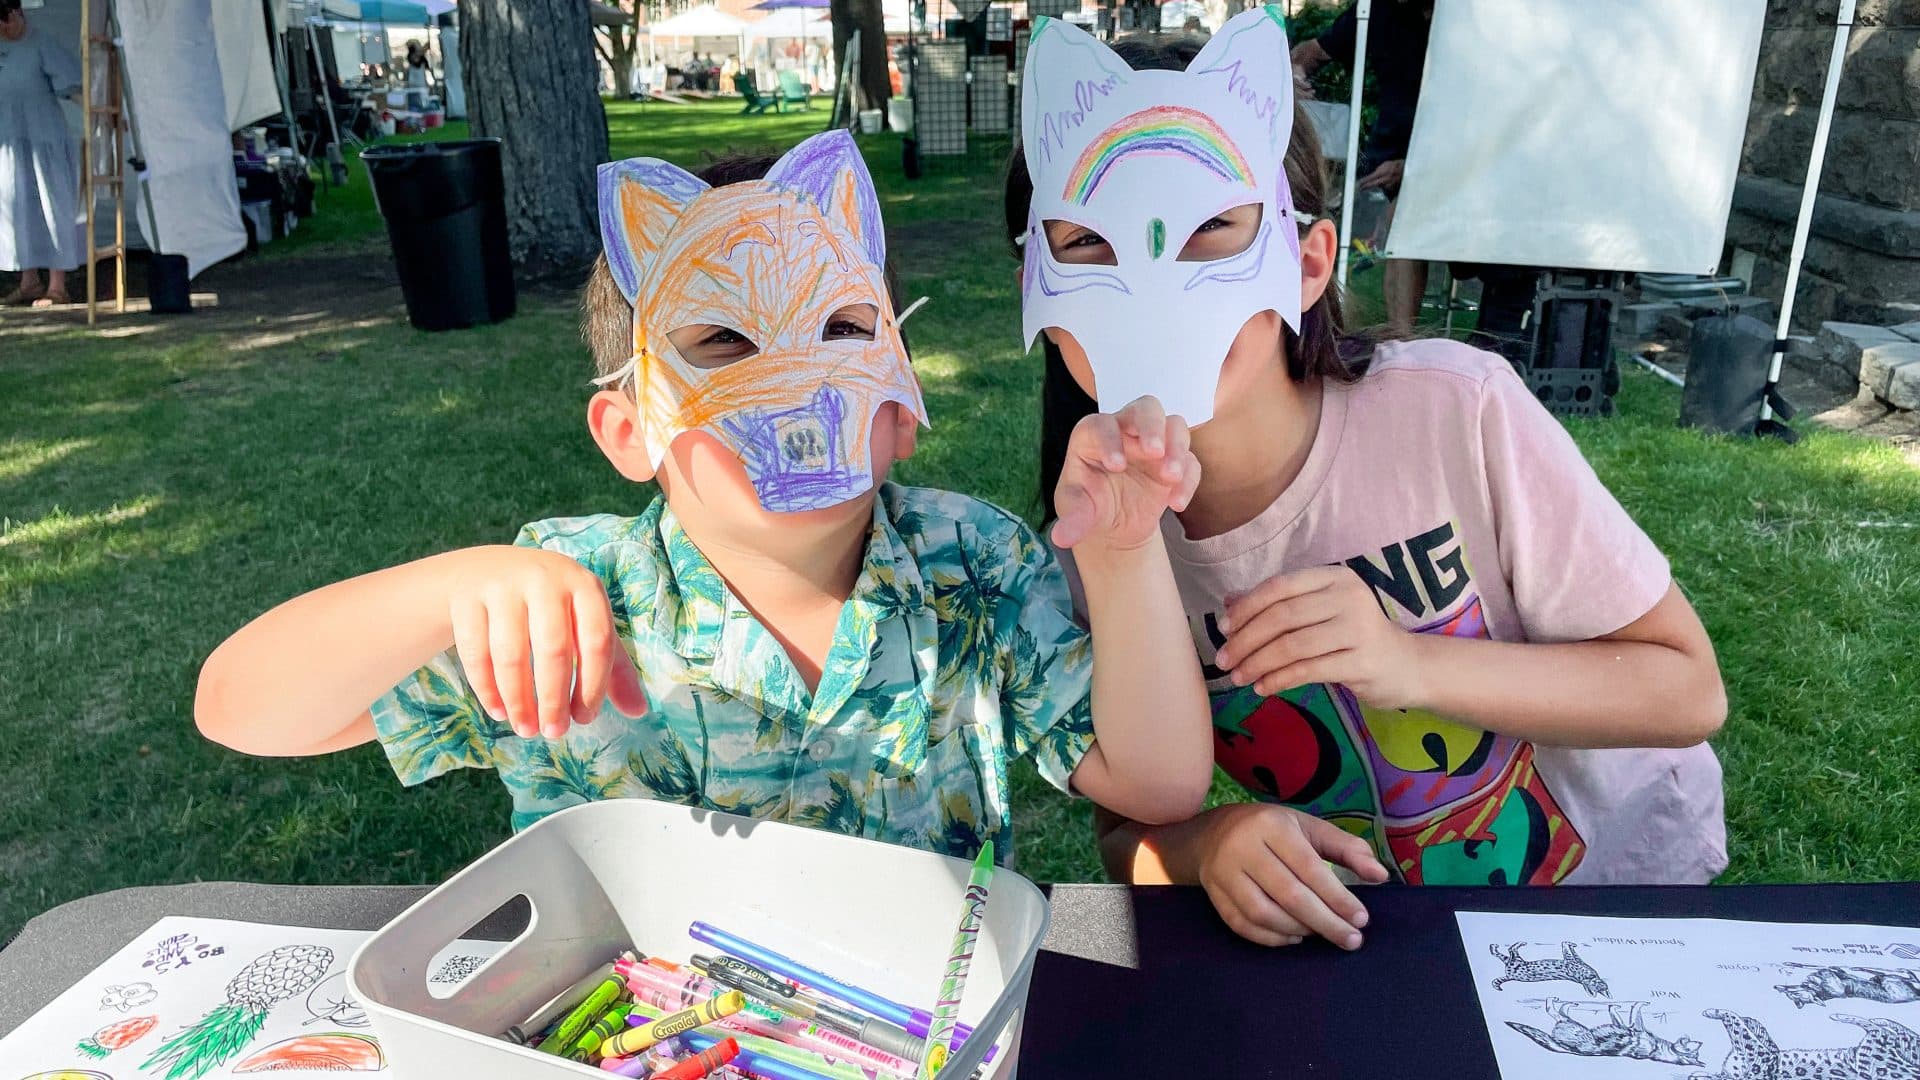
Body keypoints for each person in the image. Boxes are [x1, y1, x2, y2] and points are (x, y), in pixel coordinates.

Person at [196, 134, 1214, 861]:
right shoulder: (568, 605)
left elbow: (1156, 781)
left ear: (902, 406)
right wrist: (448, 587)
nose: (794, 384)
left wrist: (1122, 558)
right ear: (631, 432)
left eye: (845, 329)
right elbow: (244, 710)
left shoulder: (972, 565)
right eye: (724, 343)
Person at [1007, 26, 1727, 948]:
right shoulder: (1100, 537)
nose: (1156, 289)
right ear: (1037, 284)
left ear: (1306, 262)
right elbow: (1131, 828)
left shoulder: (1454, 413)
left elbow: (1687, 691)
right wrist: (1208, 842)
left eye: (1210, 233)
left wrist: (1412, 663)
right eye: (1089, 245)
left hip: (1616, 890)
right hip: (1380, 939)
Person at [1292, 0, 1433, 332]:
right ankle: (1394, 338)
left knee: (1403, 218)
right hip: (1390, 156)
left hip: (1450, 158)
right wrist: (1296, 73)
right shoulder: (1377, 10)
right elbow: (1308, 54)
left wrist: (1414, 166)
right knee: (1389, 216)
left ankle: (1401, 337)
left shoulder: (1467, 20)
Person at [0, 0, 83, 308]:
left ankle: (57, 286)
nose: (4, 30)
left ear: (18, 13)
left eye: (7, 22)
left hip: (44, 142)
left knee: (52, 208)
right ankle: (29, 281)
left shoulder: (42, 43)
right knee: (14, 210)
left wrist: (101, 113)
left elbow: (73, 86)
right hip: (9, 144)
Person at [404, 40, 431, 111]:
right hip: (413, 87)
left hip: (422, 86)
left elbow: (426, 69)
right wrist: (425, 48)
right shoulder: (411, 56)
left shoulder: (422, 59)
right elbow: (416, 58)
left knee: (424, 106)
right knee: (415, 107)